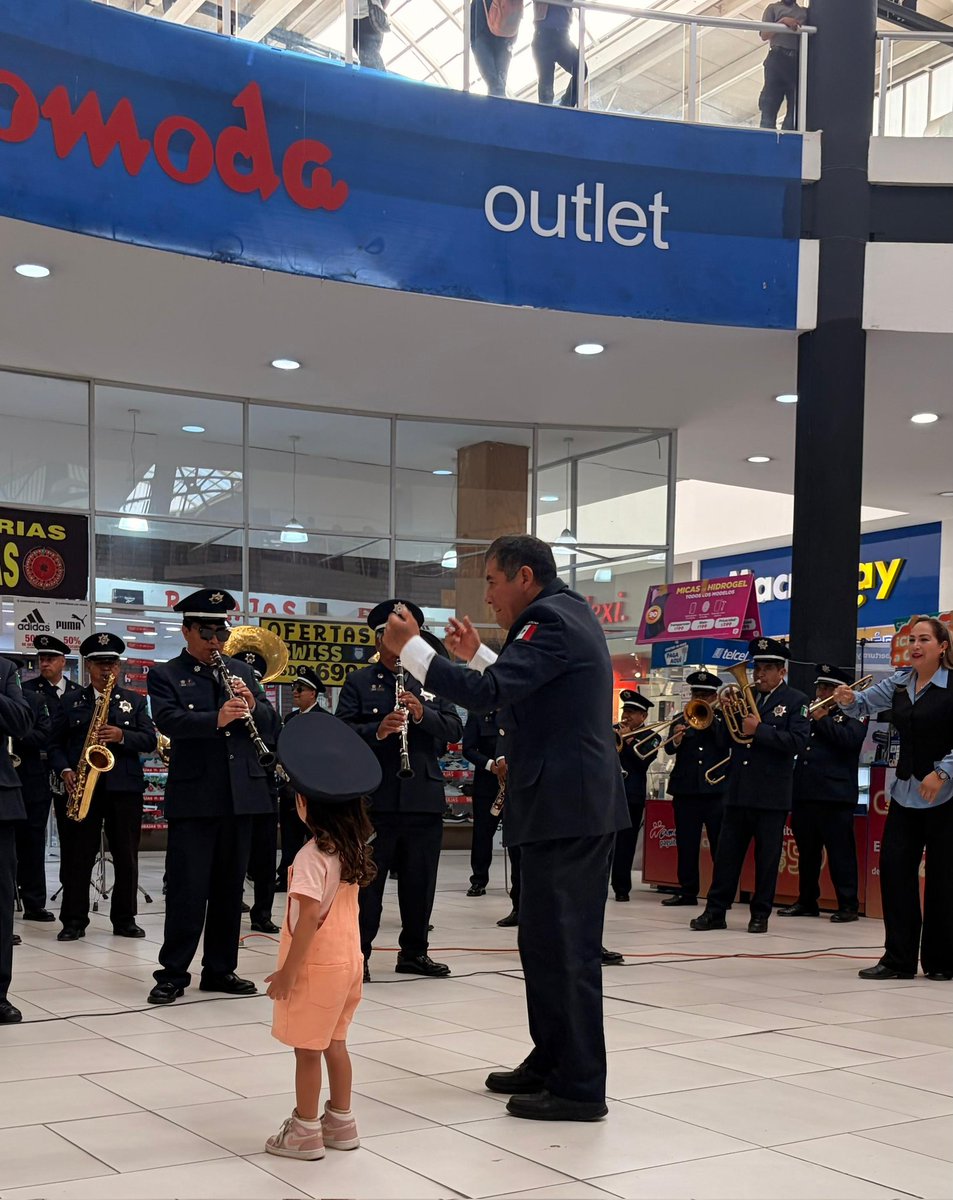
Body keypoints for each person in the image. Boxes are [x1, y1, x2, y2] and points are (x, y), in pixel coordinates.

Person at [383, 534, 628, 1122]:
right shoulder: (560, 616)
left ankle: (579, 1087)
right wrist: (474, 657)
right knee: (542, 944)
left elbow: (495, 693)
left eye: (491, 582)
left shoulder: (553, 618)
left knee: (566, 949)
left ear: (523, 575)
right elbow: (526, 689)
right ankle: (551, 1059)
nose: (488, 597)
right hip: (558, 807)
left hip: (569, 810)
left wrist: (413, 649)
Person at [146, 589, 277, 1005]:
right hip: (195, 798)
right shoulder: (165, 674)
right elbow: (168, 720)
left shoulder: (242, 671)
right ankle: (172, 972)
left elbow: (272, 725)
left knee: (228, 890)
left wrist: (253, 705)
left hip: (241, 796)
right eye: (206, 633)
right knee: (187, 889)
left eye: (220, 632)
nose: (214, 642)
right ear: (187, 631)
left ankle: (221, 969)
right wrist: (215, 719)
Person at [264, 710, 381, 1160]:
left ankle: (305, 1130)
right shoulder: (349, 850)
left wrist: (289, 974)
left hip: (316, 966)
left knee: (306, 1051)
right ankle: (342, 1121)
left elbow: (308, 918)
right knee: (336, 1043)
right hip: (350, 963)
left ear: (305, 804)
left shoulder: (312, 855)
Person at [337, 600, 462, 981]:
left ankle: (414, 953)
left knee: (420, 883)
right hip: (375, 799)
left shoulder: (431, 681)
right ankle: (359, 955)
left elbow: (455, 730)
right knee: (368, 886)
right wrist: (377, 730)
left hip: (422, 797)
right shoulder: (360, 682)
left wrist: (422, 715)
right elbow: (341, 735)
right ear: (379, 641)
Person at [834, 617, 953, 982]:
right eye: (911, 640)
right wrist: (848, 699)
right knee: (895, 871)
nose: (915, 646)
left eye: (923, 640)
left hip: (947, 796)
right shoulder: (900, 682)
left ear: (942, 646)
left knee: (944, 879)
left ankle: (941, 960)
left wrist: (944, 771)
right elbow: (863, 706)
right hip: (906, 792)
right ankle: (898, 959)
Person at [691, 638, 809, 935]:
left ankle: (760, 914)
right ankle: (715, 911)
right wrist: (721, 717)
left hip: (771, 795)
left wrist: (761, 730)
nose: (759, 674)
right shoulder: (746, 696)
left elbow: (797, 743)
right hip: (739, 790)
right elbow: (727, 742)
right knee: (726, 856)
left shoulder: (796, 701)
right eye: (757, 668)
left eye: (768, 668)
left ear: (782, 671)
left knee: (767, 860)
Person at [50, 634, 157, 941]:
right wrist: (66, 769)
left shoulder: (134, 701)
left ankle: (125, 919)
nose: (105, 670)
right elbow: (54, 744)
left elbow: (149, 740)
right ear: (88, 667)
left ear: (119, 667)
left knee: (126, 855)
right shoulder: (70, 701)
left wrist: (121, 735)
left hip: (124, 789)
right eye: (99, 664)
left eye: (110, 663)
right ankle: (73, 920)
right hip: (83, 788)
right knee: (77, 856)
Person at [779, 664, 866, 923]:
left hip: (835, 794)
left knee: (840, 853)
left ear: (842, 690)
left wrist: (823, 719)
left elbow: (849, 741)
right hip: (805, 790)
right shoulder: (809, 712)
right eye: (820, 687)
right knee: (807, 852)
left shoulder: (855, 711)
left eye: (828, 687)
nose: (822, 692)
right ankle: (806, 900)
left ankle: (848, 904)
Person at [661, 670, 729, 908]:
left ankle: (720, 895)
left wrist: (711, 719)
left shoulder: (724, 719)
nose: (698, 698)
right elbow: (669, 750)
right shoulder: (682, 718)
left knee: (719, 844)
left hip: (715, 790)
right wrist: (678, 738)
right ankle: (687, 891)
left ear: (713, 697)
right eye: (695, 694)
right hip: (686, 789)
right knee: (686, 843)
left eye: (704, 695)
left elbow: (723, 743)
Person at [233, 648, 284, 935]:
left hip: (262, 784)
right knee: (232, 855)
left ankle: (262, 912)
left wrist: (253, 705)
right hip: (232, 785)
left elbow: (275, 730)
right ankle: (229, 903)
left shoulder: (262, 704)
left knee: (265, 857)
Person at [2, 655, 55, 924]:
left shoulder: (35, 701)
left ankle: (34, 903)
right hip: (6, 780)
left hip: (30, 781)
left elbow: (44, 734)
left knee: (33, 846)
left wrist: (18, 734)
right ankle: (9, 902)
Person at [0, 655, 33, 1025]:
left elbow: (21, 721)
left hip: (0, 800)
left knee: (0, 903)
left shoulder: (4, 670)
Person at [277, 669, 323, 893]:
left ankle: (313, 880)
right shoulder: (290, 718)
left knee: (315, 838)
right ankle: (286, 876)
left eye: (300, 689)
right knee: (289, 837)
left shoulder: (324, 719)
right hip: (291, 789)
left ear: (313, 693)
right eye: (294, 688)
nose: (295, 692)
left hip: (314, 791)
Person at [611, 690, 659, 903]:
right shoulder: (611, 731)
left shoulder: (652, 736)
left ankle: (621, 887)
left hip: (632, 795)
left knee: (626, 843)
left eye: (632, 712)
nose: (627, 716)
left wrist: (627, 741)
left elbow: (643, 762)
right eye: (625, 711)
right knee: (603, 842)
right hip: (609, 792)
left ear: (643, 716)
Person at [462, 709, 505, 896]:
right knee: (482, 834)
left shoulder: (518, 708)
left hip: (516, 784)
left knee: (518, 837)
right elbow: (468, 749)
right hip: (487, 784)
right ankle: (479, 879)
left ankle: (520, 883)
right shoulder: (478, 713)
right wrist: (490, 766)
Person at [758, 0, 808, 131]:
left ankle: (788, 138)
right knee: (770, 103)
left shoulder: (804, 12)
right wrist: (782, 22)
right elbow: (764, 35)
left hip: (797, 61)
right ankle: (767, 138)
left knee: (796, 107)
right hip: (777, 57)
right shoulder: (773, 8)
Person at [532, 1, 586, 108]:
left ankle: (565, 105)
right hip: (544, 34)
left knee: (581, 70)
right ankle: (554, 112)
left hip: (561, 35)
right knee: (545, 87)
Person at [471, 0, 517, 98]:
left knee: (496, 83)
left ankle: (497, 106)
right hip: (500, 35)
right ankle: (499, 106)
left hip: (491, 35)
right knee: (497, 83)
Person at [353, 0, 387, 71]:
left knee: (370, 60)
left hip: (367, 16)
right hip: (359, 16)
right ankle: (379, 80)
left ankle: (380, 81)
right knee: (367, 60)